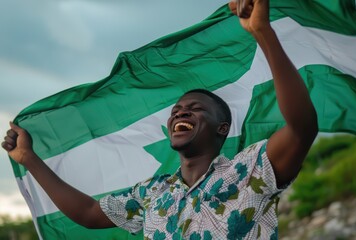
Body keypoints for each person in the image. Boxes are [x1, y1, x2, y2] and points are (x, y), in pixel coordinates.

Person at [2, 0, 318, 239]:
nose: (180, 112)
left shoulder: (248, 171)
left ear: (223, 128)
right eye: (176, 111)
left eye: (195, 108)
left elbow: (301, 130)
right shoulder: (152, 194)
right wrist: (28, 158)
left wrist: (262, 32)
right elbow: (88, 212)